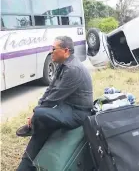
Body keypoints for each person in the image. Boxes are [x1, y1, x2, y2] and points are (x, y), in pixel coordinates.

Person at [16, 36, 93, 171]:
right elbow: (50, 89)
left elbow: (55, 97)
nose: (51, 52)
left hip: (78, 113)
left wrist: (35, 113)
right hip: (67, 107)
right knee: (42, 121)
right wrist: (37, 108)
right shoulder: (62, 65)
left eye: (53, 49)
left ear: (66, 51)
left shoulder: (73, 69)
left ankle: (27, 158)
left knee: (40, 115)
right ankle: (27, 163)